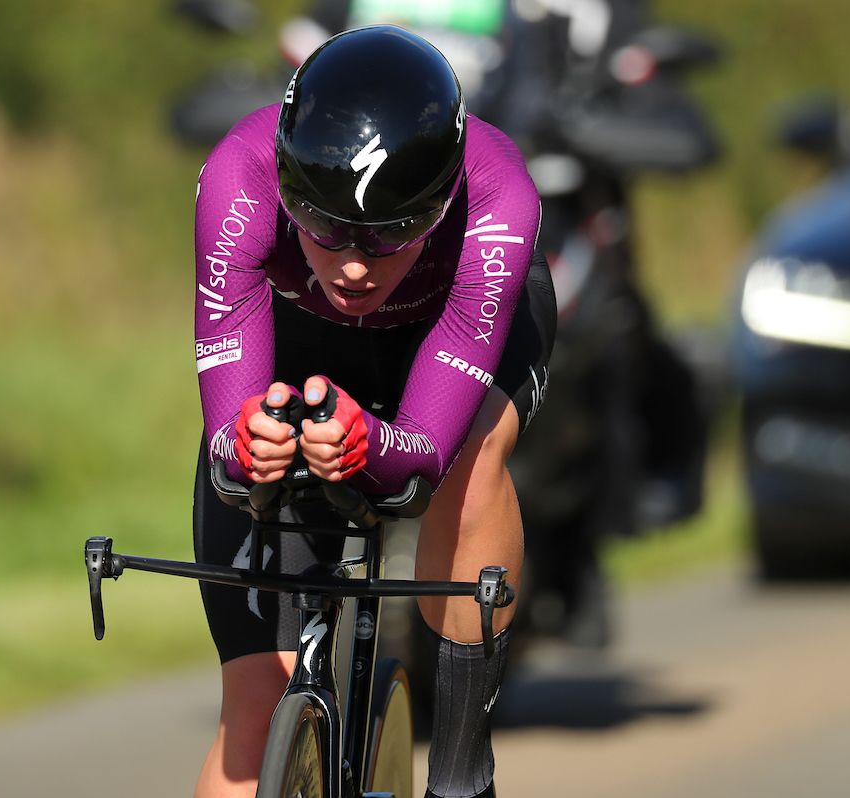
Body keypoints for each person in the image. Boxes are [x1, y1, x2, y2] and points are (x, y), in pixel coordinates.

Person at [191, 25, 555, 798]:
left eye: (394, 235)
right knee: (250, 722)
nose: (354, 265)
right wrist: (244, 447)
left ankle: (461, 775)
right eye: (323, 228)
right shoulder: (240, 175)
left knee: (474, 453)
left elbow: (419, 458)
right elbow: (226, 438)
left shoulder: (498, 196)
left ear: (443, 202)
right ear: (288, 188)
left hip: (454, 343)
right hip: (303, 343)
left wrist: (368, 452)